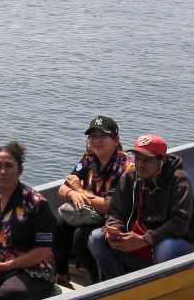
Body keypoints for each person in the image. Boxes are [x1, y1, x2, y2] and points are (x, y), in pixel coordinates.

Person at [88, 134, 194, 280]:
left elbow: (180, 223)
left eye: (147, 160)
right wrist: (114, 231)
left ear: (162, 160)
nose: (140, 164)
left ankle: (158, 289)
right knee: (96, 237)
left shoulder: (179, 180)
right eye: (137, 159)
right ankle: (121, 285)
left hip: (173, 242)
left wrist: (145, 239)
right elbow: (115, 212)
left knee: (165, 248)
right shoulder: (130, 176)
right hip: (138, 240)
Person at [0, 142, 58, 300]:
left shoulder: (36, 203)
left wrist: (5, 267)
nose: (3, 171)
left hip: (28, 269)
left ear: (20, 170)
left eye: (9, 166)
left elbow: (43, 250)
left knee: (12, 292)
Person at [53, 116, 134, 285]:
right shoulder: (88, 159)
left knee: (82, 235)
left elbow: (110, 207)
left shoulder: (127, 166)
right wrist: (73, 194)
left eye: (103, 136)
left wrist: (80, 190)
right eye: (93, 137)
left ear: (115, 139)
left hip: (117, 218)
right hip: (90, 213)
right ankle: (61, 274)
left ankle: (98, 282)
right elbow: (62, 188)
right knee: (60, 222)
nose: (97, 141)